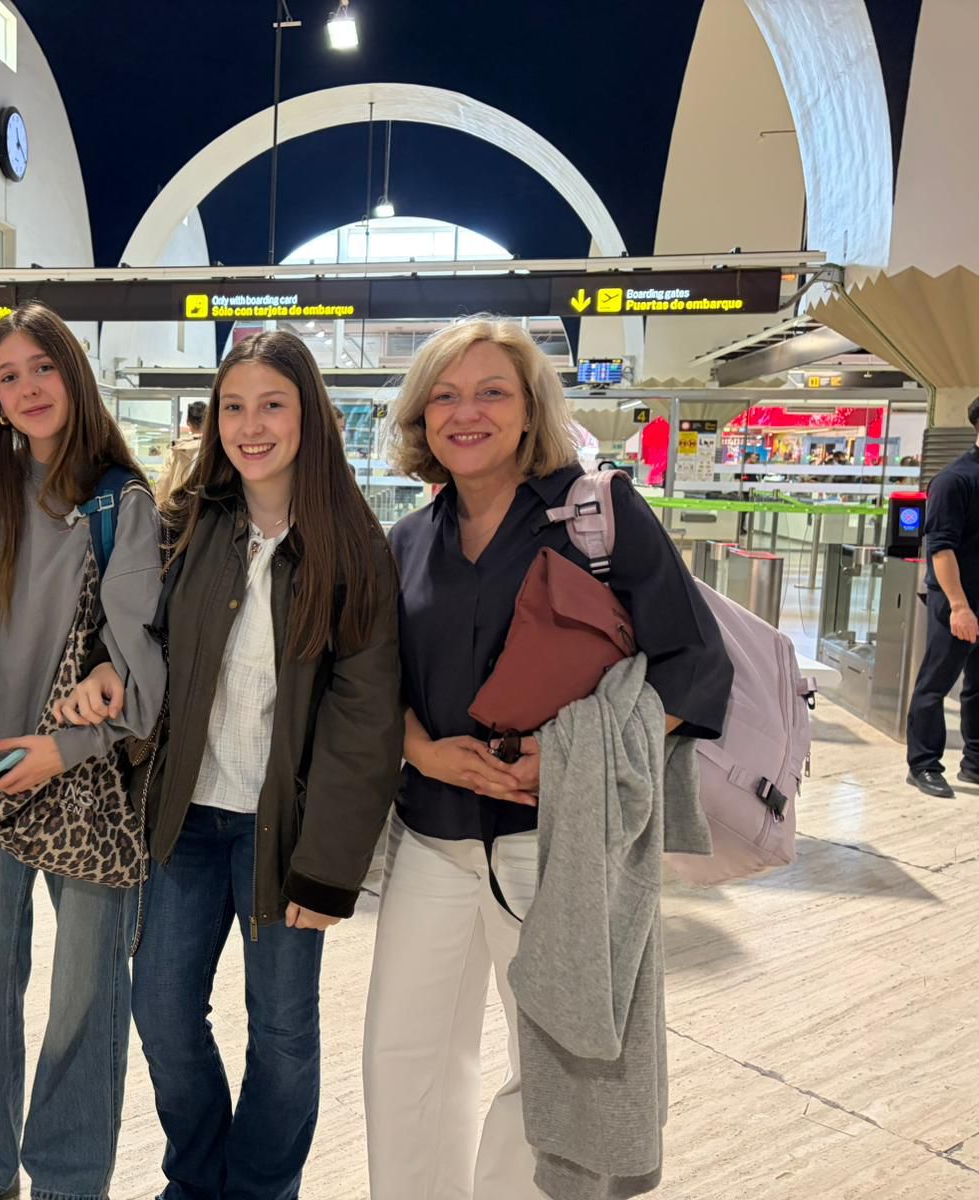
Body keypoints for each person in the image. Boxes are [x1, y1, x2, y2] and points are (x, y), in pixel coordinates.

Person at [362, 316, 732, 1199]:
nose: (467, 413)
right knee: (402, 1056)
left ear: (530, 410)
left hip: (557, 840)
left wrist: (563, 757)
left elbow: (694, 666)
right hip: (434, 836)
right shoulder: (407, 543)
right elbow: (372, 683)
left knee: (552, 1063)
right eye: (445, 396)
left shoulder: (596, 516)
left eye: (492, 392)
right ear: (420, 419)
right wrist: (425, 753)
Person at [58, 331, 402, 1200]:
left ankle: (260, 1189)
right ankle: (198, 1178)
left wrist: (329, 869)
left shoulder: (355, 548)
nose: (251, 427)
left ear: (309, 416)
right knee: (163, 1012)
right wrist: (102, 667)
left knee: (281, 1031)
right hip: (186, 819)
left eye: (272, 405)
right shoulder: (191, 526)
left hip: (285, 834)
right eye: (234, 408)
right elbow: (138, 635)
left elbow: (364, 723)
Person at [0, 303, 166, 1200]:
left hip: (83, 779)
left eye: (42, 367)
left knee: (86, 995)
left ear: (74, 375)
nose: (27, 387)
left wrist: (69, 744)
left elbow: (140, 669)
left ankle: (70, 1181)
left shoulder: (119, 501)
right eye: (8, 375)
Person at [906, 397, 979, 797]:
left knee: (978, 685)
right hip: (957, 601)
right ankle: (923, 765)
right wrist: (959, 605)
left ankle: (975, 763)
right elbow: (941, 548)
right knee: (935, 683)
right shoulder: (954, 480)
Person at [154, 399, 208, 505]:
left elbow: (163, 484)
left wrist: (160, 507)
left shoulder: (176, 450)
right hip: (208, 509)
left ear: (188, 422)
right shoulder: (216, 449)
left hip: (178, 508)